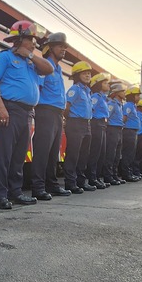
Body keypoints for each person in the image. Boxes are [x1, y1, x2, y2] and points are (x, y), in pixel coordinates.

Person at [0, 20, 53, 210]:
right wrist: (1, 108)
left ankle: (15, 192)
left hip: (26, 113)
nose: (35, 44)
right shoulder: (5, 58)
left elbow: (49, 69)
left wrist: (31, 55)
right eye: (31, 40)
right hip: (9, 109)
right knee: (4, 155)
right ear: (20, 38)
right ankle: (0, 196)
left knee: (19, 156)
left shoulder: (31, 62)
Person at [30, 32, 71, 200]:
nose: (63, 49)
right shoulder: (44, 67)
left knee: (53, 152)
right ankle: (38, 187)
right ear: (50, 48)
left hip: (56, 114)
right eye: (60, 46)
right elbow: (37, 89)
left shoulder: (59, 69)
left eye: (64, 47)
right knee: (42, 151)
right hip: (45, 111)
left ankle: (52, 185)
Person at [62, 61, 93, 194]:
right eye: (84, 73)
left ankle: (81, 182)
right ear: (77, 75)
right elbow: (66, 107)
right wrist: (69, 120)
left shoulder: (87, 91)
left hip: (86, 124)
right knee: (73, 154)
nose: (87, 76)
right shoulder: (75, 89)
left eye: (89, 73)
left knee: (83, 155)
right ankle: (70, 183)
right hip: (75, 123)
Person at [84, 72, 111, 190]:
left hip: (102, 125)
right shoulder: (95, 97)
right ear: (98, 85)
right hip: (96, 124)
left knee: (101, 153)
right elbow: (91, 109)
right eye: (105, 83)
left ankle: (97, 177)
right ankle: (92, 178)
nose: (108, 85)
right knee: (95, 152)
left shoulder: (103, 98)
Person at [103, 81, 126, 185]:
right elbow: (106, 117)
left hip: (119, 130)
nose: (124, 93)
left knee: (117, 155)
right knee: (111, 154)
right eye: (122, 91)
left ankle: (114, 175)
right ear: (116, 93)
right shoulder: (111, 104)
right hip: (112, 130)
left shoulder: (120, 105)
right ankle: (108, 176)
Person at [119, 85, 141, 181]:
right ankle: (126, 174)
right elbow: (124, 118)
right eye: (137, 95)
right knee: (127, 154)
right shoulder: (128, 105)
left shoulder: (133, 106)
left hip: (133, 132)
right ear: (132, 96)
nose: (139, 97)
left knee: (131, 154)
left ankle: (129, 172)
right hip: (128, 132)